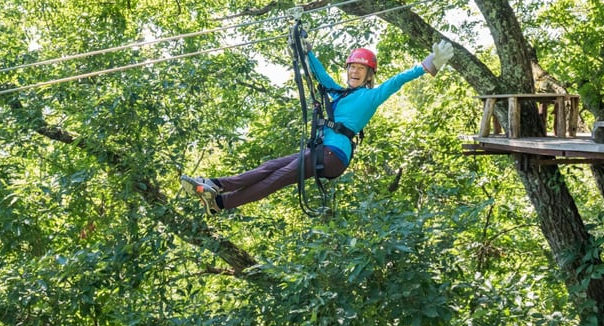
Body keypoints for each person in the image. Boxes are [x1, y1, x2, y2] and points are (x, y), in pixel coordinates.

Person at [180, 40, 455, 215]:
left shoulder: (370, 96)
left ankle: (222, 202)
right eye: (352, 68)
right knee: (272, 167)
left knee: (280, 176)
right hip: (322, 151)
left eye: (361, 69)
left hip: (334, 155)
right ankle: (216, 187)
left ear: (369, 75)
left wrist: (428, 64)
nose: (355, 72)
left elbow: (397, 80)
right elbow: (321, 76)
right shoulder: (337, 93)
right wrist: (307, 50)